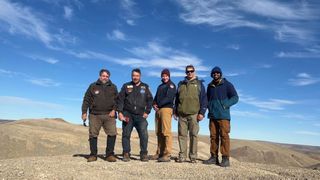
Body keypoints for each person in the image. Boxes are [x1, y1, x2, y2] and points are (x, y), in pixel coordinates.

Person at [203, 66, 239, 167]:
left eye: (217, 73)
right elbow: (207, 100)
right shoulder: (209, 86)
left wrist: (225, 104)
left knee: (224, 136)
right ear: (212, 75)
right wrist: (206, 109)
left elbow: (235, 97)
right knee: (213, 137)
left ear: (220, 74)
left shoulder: (227, 84)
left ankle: (225, 158)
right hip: (213, 116)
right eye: (214, 73)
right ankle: (213, 157)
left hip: (223, 116)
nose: (215, 74)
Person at [81, 69, 118, 162]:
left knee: (112, 133)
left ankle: (109, 155)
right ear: (100, 76)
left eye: (107, 76)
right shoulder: (93, 86)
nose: (105, 78)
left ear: (109, 77)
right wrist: (84, 112)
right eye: (103, 76)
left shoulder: (113, 87)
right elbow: (86, 99)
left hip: (109, 115)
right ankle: (93, 155)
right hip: (94, 114)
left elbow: (118, 100)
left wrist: (114, 110)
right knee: (93, 134)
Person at [117, 68, 153, 162]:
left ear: (140, 76)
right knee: (126, 134)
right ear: (131, 76)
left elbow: (150, 100)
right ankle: (126, 153)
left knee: (144, 134)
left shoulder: (145, 87)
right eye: (133, 75)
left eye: (137, 76)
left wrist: (147, 111)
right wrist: (120, 112)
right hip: (127, 114)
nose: (135, 77)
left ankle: (144, 153)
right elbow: (120, 99)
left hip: (140, 115)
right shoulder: (126, 86)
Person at [174, 65, 208, 163]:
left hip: (194, 114)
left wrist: (202, 112)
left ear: (194, 71)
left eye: (191, 71)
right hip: (182, 115)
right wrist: (175, 111)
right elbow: (177, 99)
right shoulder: (181, 84)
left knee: (193, 135)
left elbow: (204, 99)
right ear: (185, 72)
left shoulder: (199, 84)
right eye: (187, 71)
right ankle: (182, 156)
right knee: (182, 135)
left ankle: (193, 157)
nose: (189, 73)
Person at [150, 69, 176, 162]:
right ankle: (159, 152)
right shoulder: (160, 86)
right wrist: (154, 104)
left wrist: (159, 104)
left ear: (169, 76)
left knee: (166, 132)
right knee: (159, 132)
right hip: (158, 110)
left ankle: (167, 154)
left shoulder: (171, 85)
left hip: (166, 109)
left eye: (166, 76)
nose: (164, 77)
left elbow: (169, 98)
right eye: (163, 76)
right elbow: (155, 98)